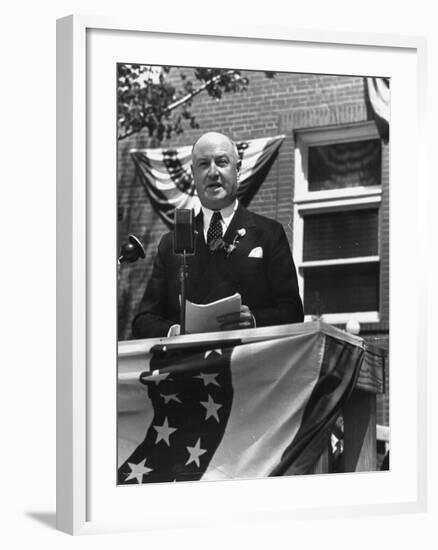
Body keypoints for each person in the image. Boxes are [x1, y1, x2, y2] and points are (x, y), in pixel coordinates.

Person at [132, 131, 304, 338]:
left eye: (221, 162)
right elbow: (144, 319)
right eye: (204, 164)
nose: (213, 172)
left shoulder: (268, 234)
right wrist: (173, 331)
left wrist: (255, 320)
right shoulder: (171, 243)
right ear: (193, 174)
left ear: (238, 169)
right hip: (188, 364)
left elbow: (293, 311)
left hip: (245, 362)